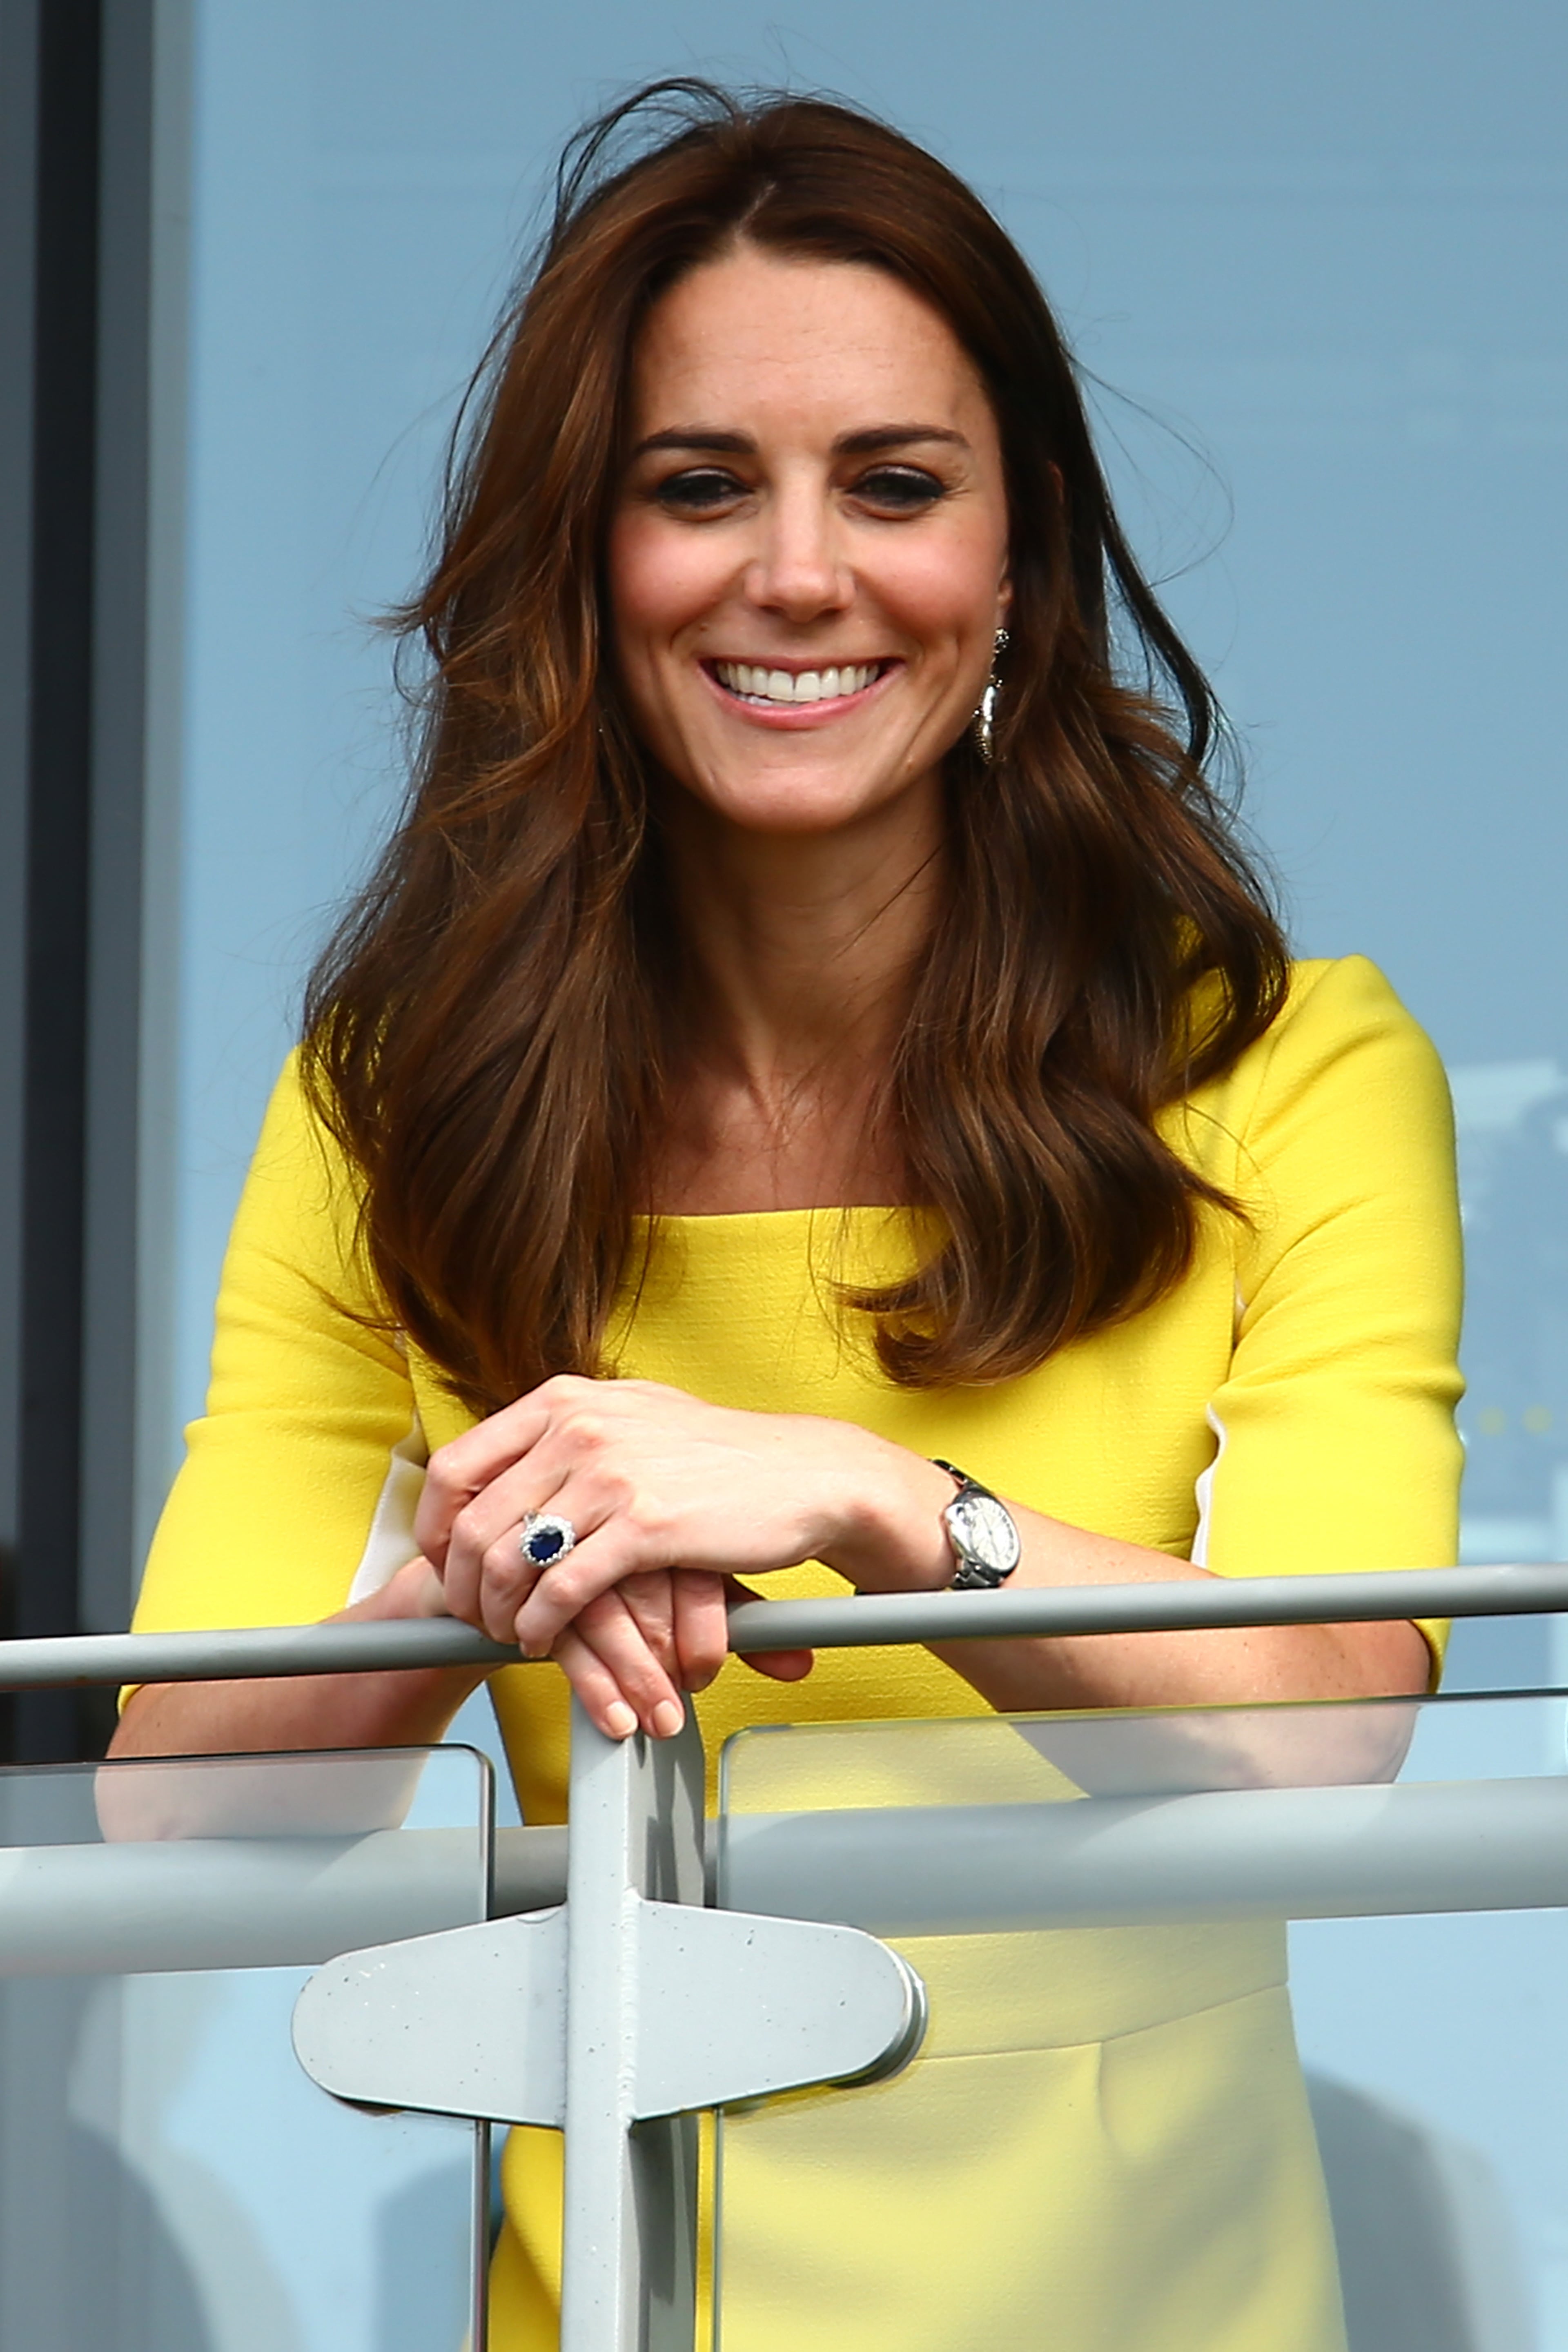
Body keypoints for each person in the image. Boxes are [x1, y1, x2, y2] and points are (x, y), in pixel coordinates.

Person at [111, 84, 1461, 2349]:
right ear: (589, 565)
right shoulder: (391, 1109)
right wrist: (460, 1573)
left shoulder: (1294, 1067)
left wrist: (874, 1499)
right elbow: (161, 1844)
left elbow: (1329, 1728)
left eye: (897, 486)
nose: (802, 573)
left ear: (1020, 569)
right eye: (699, 486)